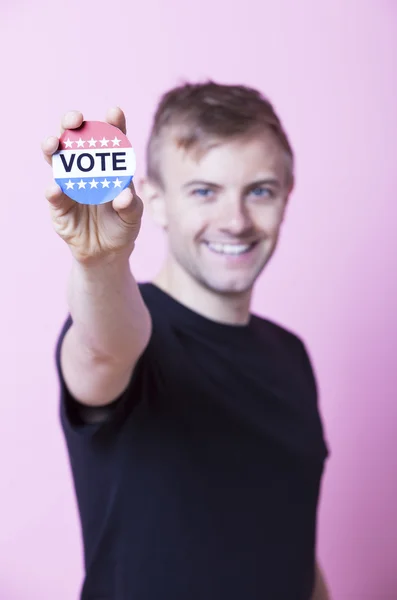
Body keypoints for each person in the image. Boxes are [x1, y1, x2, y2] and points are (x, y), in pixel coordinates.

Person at [42, 81, 331, 600]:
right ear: (156, 200)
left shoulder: (292, 354)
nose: (236, 221)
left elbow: (290, 542)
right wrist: (102, 262)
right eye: (204, 191)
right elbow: (102, 347)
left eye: (259, 190)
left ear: (287, 196)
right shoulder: (131, 331)